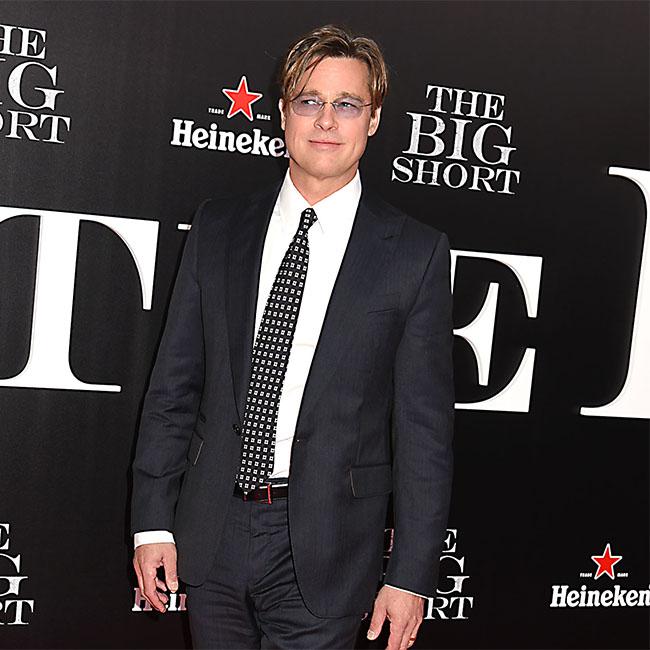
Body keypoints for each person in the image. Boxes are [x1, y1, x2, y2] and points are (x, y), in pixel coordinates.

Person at [131, 24, 454, 650]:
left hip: (331, 546)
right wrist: (151, 524)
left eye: (347, 104)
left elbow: (424, 430)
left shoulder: (415, 254)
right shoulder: (218, 227)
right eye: (310, 100)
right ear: (283, 114)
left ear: (374, 119)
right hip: (213, 531)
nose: (326, 120)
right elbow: (173, 388)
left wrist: (411, 573)